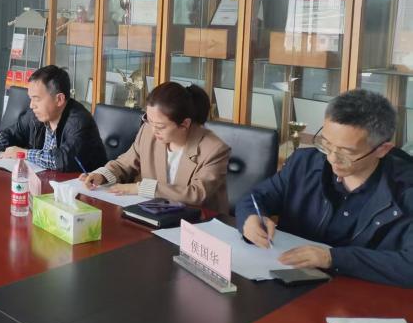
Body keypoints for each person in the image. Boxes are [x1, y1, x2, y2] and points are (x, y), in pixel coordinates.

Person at [235, 89, 413, 287]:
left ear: (382, 149)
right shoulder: (305, 163)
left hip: (361, 295)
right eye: (327, 144)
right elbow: (256, 197)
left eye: (346, 152)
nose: (332, 158)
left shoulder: (406, 190)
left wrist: (332, 258)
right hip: (286, 283)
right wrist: (250, 217)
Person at [81, 82, 230, 213]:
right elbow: (124, 164)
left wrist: (141, 188)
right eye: (148, 120)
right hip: (154, 214)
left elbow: (196, 194)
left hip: (197, 223)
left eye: (160, 126)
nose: (153, 130)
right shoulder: (148, 131)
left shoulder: (214, 150)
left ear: (185, 123)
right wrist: (101, 175)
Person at [0, 65, 106, 172]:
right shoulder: (35, 115)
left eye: (36, 99)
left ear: (59, 99)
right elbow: (12, 132)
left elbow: (63, 160)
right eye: (30, 98)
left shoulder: (79, 121)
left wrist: (24, 154)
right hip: (45, 181)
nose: (31, 105)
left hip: (83, 188)